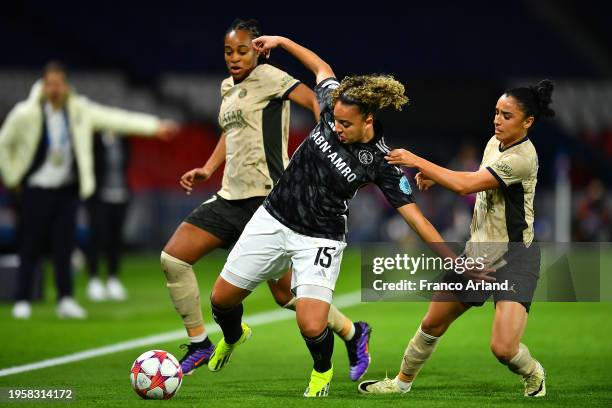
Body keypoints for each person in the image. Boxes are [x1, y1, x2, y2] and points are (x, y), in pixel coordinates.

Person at [205, 34, 461, 398]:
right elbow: (321, 68)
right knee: (221, 300)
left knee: (311, 323)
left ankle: (322, 373)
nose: (336, 127)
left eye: (345, 124)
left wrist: (452, 260)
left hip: (320, 238)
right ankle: (233, 337)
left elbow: (414, 217)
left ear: (368, 120)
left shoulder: (382, 163)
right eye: (335, 121)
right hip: (274, 217)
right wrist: (281, 42)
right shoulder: (331, 106)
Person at [160, 19, 372, 381]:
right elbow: (232, 131)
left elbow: (316, 103)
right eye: (229, 51)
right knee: (173, 259)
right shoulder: (227, 86)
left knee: (288, 296)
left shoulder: (272, 77)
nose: (235, 58)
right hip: (230, 197)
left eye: (243, 50)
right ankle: (199, 343)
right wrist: (208, 168)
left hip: (272, 203)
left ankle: (353, 333)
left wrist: (331, 143)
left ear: (257, 51)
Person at [358, 80, 555, 397]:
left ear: (528, 121)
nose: (497, 120)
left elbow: (466, 186)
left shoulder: (522, 158)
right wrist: (436, 177)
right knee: (433, 322)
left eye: (506, 115)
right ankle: (401, 383)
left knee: (503, 349)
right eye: (496, 113)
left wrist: (419, 162)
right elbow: (474, 179)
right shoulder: (495, 142)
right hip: (478, 252)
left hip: (515, 258)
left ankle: (534, 372)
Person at [0, 61, 177, 319]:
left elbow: (115, 118)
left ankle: (65, 299)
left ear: (66, 85)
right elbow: (4, 143)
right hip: (35, 189)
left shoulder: (78, 110)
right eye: (50, 83)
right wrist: (11, 176)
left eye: (59, 83)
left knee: (64, 246)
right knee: (30, 245)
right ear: (43, 85)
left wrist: (154, 126)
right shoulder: (25, 113)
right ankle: (23, 298)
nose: (55, 89)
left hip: (66, 190)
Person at [85, 130, 132, 302]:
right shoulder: (95, 139)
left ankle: (113, 279)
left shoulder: (124, 138)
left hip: (120, 195)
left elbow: (126, 163)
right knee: (97, 238)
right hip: (99, 197)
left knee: (116, 239)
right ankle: (94, 279)